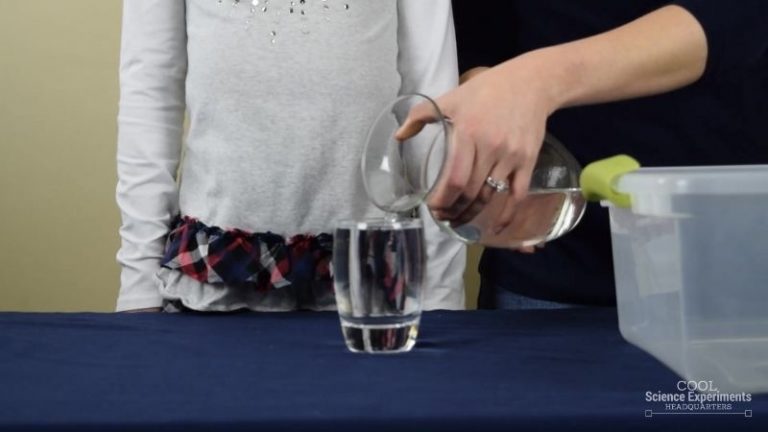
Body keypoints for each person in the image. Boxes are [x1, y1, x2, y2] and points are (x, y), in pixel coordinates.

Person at [401, 1, 768, 308]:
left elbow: (736, 19)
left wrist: (536, 81)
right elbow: (480, 30)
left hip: (729, 260)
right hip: (548, 256)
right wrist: (487, 113)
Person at [115, 0, 466, 312]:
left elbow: (432, 98)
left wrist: (441, 291)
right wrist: (139, 287)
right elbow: (150, 90)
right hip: (215, 279)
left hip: (372, 281)